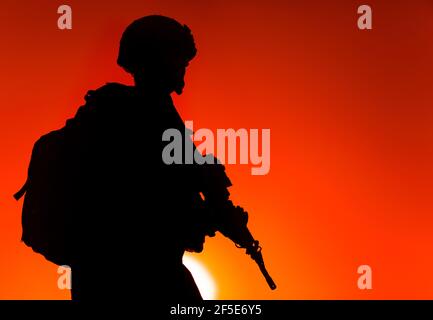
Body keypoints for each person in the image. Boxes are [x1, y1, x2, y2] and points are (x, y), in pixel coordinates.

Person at [66, 15, 206, 301]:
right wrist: (208, 216)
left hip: (97, 276)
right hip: (145, 276)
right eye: (180, 60)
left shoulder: (114, 109)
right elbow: (152, 201)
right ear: (161, 59)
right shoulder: (150, 116)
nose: (183, 69)